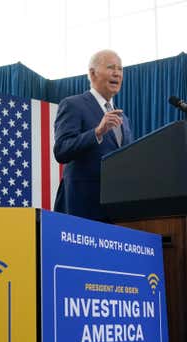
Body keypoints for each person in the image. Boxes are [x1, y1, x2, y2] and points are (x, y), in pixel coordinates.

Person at [53, 49, 133, 221]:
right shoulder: (73, 105)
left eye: (120, 69)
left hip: (115, 208)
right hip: (81, 206)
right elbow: (61, 150)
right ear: (92, 73)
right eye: (111, 67)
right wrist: (97, 132)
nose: (117, 74)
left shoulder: (123, 119)